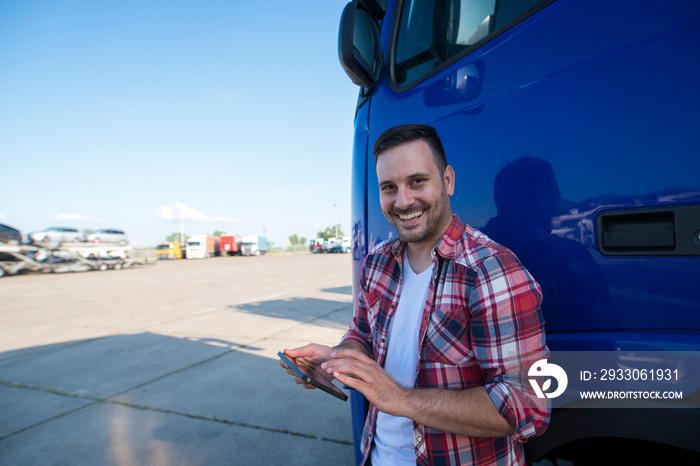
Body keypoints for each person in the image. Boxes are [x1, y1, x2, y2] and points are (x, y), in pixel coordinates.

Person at [280, 124, 549, 465]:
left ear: (447, 181)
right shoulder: (377, 263)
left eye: (417, 181)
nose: (403, 200)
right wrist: (340, 359)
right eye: (389, 187)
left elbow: (527, 405)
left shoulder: (492, 272)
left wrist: (400, 399)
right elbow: (361, 333)